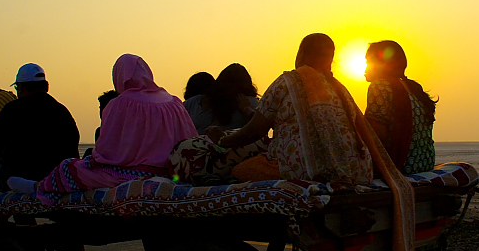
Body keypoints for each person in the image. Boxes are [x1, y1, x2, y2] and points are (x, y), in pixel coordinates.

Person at [7, 54, 198, 205]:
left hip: (131, 174)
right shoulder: (173, 103)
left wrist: (92, 161)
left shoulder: (121, 103)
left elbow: (106, 152)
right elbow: (190, 140)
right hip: (172, 172)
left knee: (68, 168)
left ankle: (38, 187)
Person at [204, 33, 372, 187]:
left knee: (241, 171)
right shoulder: (342, 90)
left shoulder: (287, 82)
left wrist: (223, 140)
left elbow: (254, 132)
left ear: (301, 55)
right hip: (357, 171)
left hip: (304, 171)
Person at [0, 63, 80, 186]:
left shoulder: (12, 109)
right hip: (59, 178)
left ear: (21, 87)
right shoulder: (62, 110)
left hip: (22, 177)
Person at [364, 40, 437, 175]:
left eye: (368, 62)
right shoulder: (413, 88)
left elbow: (377, 136)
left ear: (382, 65)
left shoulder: (380, 86)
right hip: (425, 163)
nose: (365, 67)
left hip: (402, 164)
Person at [183, 63, 259, 134]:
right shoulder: (251, 102)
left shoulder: (198, 101)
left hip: (195, 145)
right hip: (234, 145)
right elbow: (260, 126)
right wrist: (247, 109)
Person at [83, 89, 119, 158]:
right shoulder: (100, 131)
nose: (101, 111)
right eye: (100, 107)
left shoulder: (103, 132)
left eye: (104, 107)